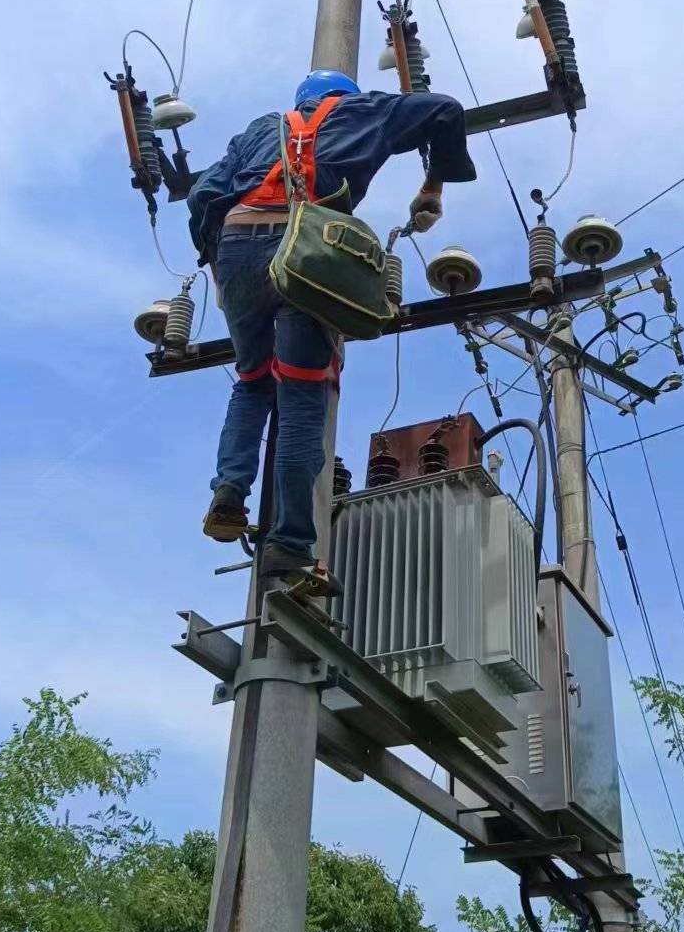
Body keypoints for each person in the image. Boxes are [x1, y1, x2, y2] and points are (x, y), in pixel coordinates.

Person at [188, 68, 476, 584]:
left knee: (253, 382)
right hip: (305, 254)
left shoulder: (261, 128)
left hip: (236, 246)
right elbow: (446, 110)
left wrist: (218, 264)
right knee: (302, 399)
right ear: (346, 96)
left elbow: (202, 195)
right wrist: (433, 185)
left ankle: (229, 491)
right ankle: (290, 543)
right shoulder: (366, 111)